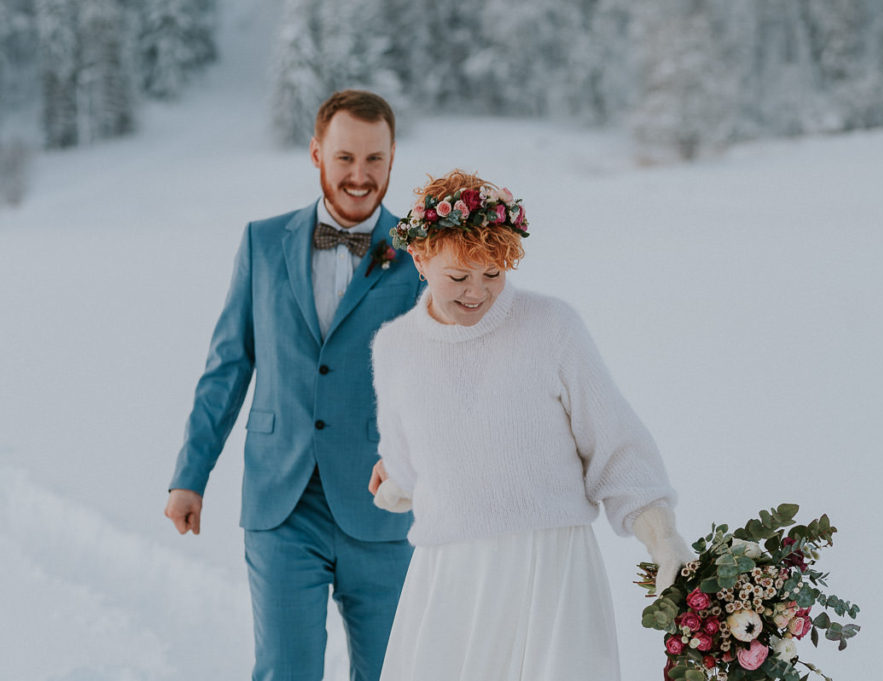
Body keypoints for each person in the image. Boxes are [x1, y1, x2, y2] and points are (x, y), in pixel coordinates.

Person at [367, 169, 695, 681]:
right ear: (420, 258)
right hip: (452, 581)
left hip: (553, 572)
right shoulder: (393, 348)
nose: (477, 291)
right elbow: (407, 466)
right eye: (459, 277)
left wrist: (661, 533)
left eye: (493, 274)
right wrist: (394, 481)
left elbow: (614, 443)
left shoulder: (552, 328)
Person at [164, 90, 423, 681]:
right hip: (283, 503)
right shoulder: (262, 242)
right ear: (315, 153)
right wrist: (189, 476)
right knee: (287, 671)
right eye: (345, 158)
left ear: (392, 158)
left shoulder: (421, 255)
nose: (360, 176)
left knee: (394, 672)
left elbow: (447, 377)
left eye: (375, 159)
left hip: (383, 501)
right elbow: (228, 367)